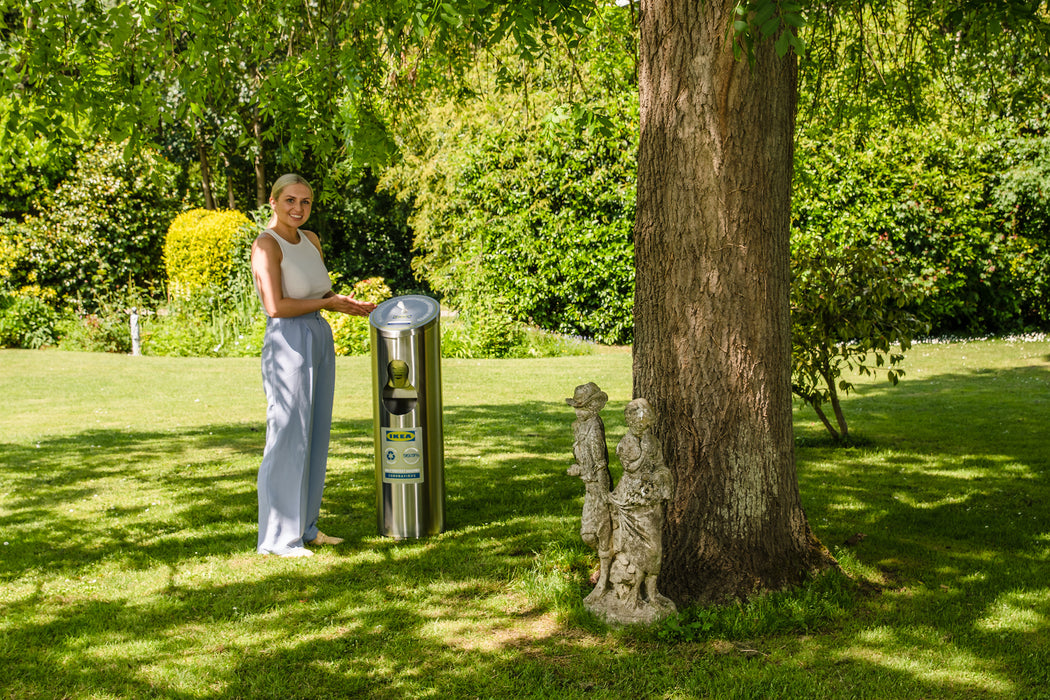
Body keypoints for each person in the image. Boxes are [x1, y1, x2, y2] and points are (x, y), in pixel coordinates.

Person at [251, 173, 376, 557]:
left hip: (318, 337)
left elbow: (320, 292)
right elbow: (275, 306)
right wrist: (326, 303)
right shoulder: (265, 245)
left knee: (316, 434)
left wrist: (346, 304)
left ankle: (306, 527)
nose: (298, 209)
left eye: (305, 202)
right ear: (273, 202)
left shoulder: (311, 240)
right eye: (290, 200)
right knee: (288, 435)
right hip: (288, 340)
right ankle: (277, 538)